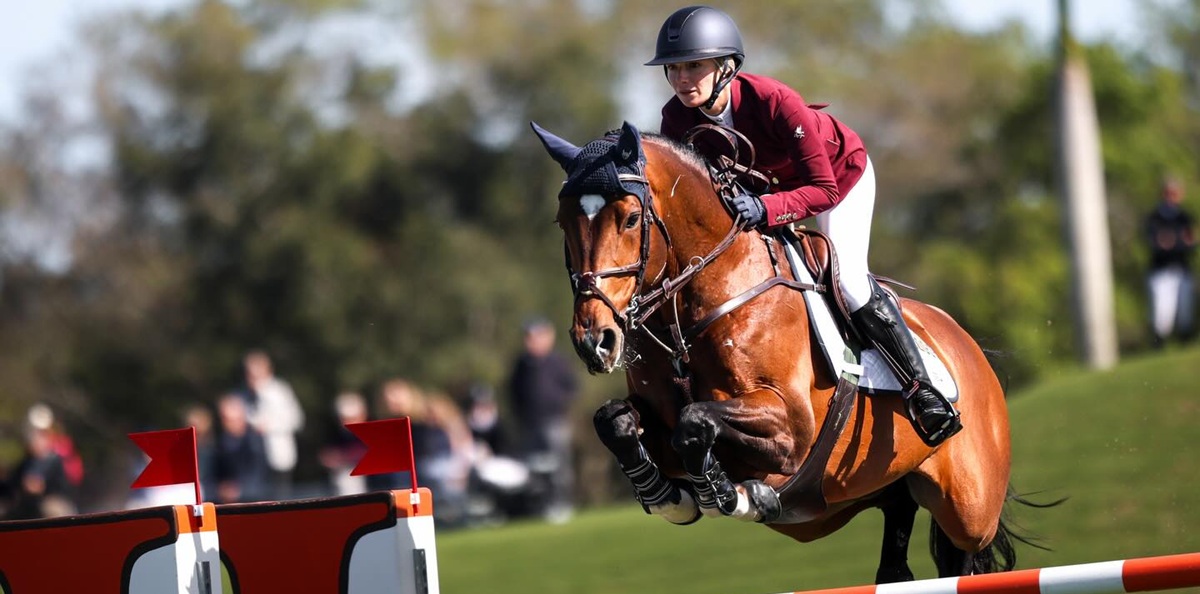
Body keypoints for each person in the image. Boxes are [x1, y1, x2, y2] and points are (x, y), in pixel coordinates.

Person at [644, 5, 960, 446]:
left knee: (847, 281)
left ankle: (920, 390)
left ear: (727, 67)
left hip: (839, 179)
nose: (682, 79)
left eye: (694, 66)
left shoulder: (774, 102)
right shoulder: (675, 121)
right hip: (760, 197)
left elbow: (823, 189)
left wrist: (768, 209)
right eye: (674, 69)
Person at [506, 317, 579, 522]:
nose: (531, 341)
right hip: (529, 423)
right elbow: (512, 392)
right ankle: (540, 507)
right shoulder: (521, 364)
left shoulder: (558, 361)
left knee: (559, 467)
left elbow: (572, 388)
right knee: (534, 469)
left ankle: (561, 504)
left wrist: (557, 403)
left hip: (554, 422)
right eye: (528, 337)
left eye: (536, 336)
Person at [241, 350, 304, 500]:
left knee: (280, 498)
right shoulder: (246, 394)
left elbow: (296, 420)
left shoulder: (279, 391)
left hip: (277, 458)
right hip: (254, 460)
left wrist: (268, 427)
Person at [1145, 177, 1196, 348]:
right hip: (1161, 271)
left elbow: (1190, 243)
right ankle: (1158, 348)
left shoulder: (1184, 217)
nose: (1171, 197)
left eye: (1175, 193)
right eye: (1168, 193)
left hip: (1182, 270)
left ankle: (1185, 346)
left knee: (1184, 313)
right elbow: (1156, 244)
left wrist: (1174, 242)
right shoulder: (1155, 217)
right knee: (1162, 315)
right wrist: (1178, 242)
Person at [213, 393, 270, 503]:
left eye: (230, 420)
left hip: (252, 501)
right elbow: (217, 474)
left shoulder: (254, 440)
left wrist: (239, 491)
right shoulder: (222, 442)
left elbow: (258, 475)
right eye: (223, 419)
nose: (226, 424)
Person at [319, 391, 370, 496]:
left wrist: (344, 457)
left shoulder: (374, 434)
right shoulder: (336, 436)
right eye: (344, 419)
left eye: (352, 418)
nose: (347, 423)